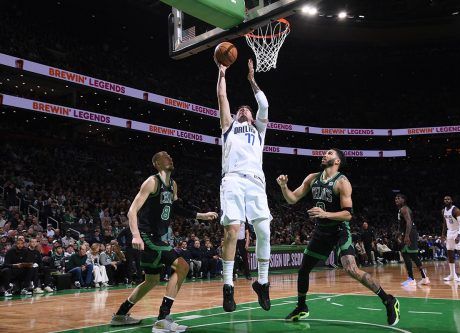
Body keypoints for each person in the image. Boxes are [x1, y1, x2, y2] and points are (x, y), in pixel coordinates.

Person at [277, 149, 400, 326]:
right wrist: (283, 187)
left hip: (340, 230)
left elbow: (348, 215)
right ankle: (302, 307)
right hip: (322, 231)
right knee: (303, 270)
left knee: (351, 268)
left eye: (329, 153)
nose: (324, 155)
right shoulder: (312, 178)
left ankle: (388, 300)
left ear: (337, 161)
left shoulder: (342, 182)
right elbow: (292, 199)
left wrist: (325, 214)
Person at [110, 151, 218, 333]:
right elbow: (132, 211)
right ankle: (162, 318)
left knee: (151, 280)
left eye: (170, 156)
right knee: (183, 266)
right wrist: (135, 235)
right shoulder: (152, 182)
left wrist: (201, 215)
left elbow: (177, 209)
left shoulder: (173, 185)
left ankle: (120, 314)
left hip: (157, 237)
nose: (170, 158)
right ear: (157, 163)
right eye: (165, 156)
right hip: (146, 235)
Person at [216, 58, 272, 312]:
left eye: (247, 109)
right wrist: (222, 73)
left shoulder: (259, 130)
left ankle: (262, 282)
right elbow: (222, 97)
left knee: (264, 231)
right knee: (231, 231)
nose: (244, 109)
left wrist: (251, 79)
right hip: (234, 179)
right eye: (241, 109)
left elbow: (264, 104)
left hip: (256, 182)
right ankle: (228, 286)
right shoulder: (228, 127)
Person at [395, 194, 430, 286]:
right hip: (410, 232)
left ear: (404, 200)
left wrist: (406, 236)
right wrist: (399, 234)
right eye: (395, 198)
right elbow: (402, 225)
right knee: (413, 256)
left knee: (406, 254)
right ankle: (424, 277)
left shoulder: (404, 209)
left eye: (399, 198)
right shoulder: (402, 209)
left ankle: (411, 279)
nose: (396, 199)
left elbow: (409, 222)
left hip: (409, 233)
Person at [441, 195, 460, 282]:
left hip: (459, 231)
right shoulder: (443, 211)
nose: (446, 200)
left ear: (451, 200)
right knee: (450, 253)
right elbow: (445, 223)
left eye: (448, 199)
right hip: (450, 232)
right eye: (445, 199)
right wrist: (443, 235)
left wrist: (459, 235)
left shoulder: (455, 210)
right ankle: (453, 275)